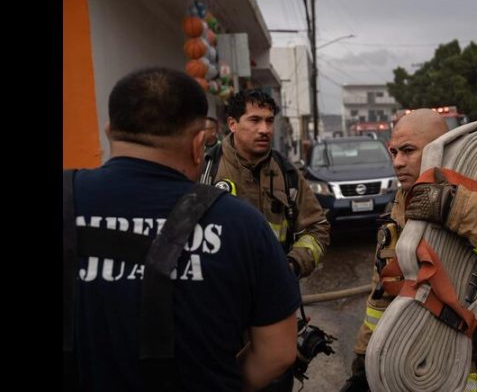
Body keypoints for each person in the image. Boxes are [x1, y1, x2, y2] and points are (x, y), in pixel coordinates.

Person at [64, 67, 301, 391]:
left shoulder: (67, 198)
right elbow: (278, 352)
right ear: (197, 144)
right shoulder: (241, 223)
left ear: (109, 131)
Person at [342, 109, 477, 392]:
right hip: (423, 374)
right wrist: (364, 357)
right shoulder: (399, 207)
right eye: (393, 152)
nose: (397, 162)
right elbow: (383, 291)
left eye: (408, 151)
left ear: (441, 149)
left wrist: (457, 209)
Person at [206, 88, 331, 391]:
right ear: (232, 123)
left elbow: (318, 229)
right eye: (254, 120)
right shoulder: (205, 170)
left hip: (272, 313)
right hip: (216, 311)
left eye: (269, 120)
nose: (264, 129)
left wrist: (289, 266)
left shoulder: (287, 174)